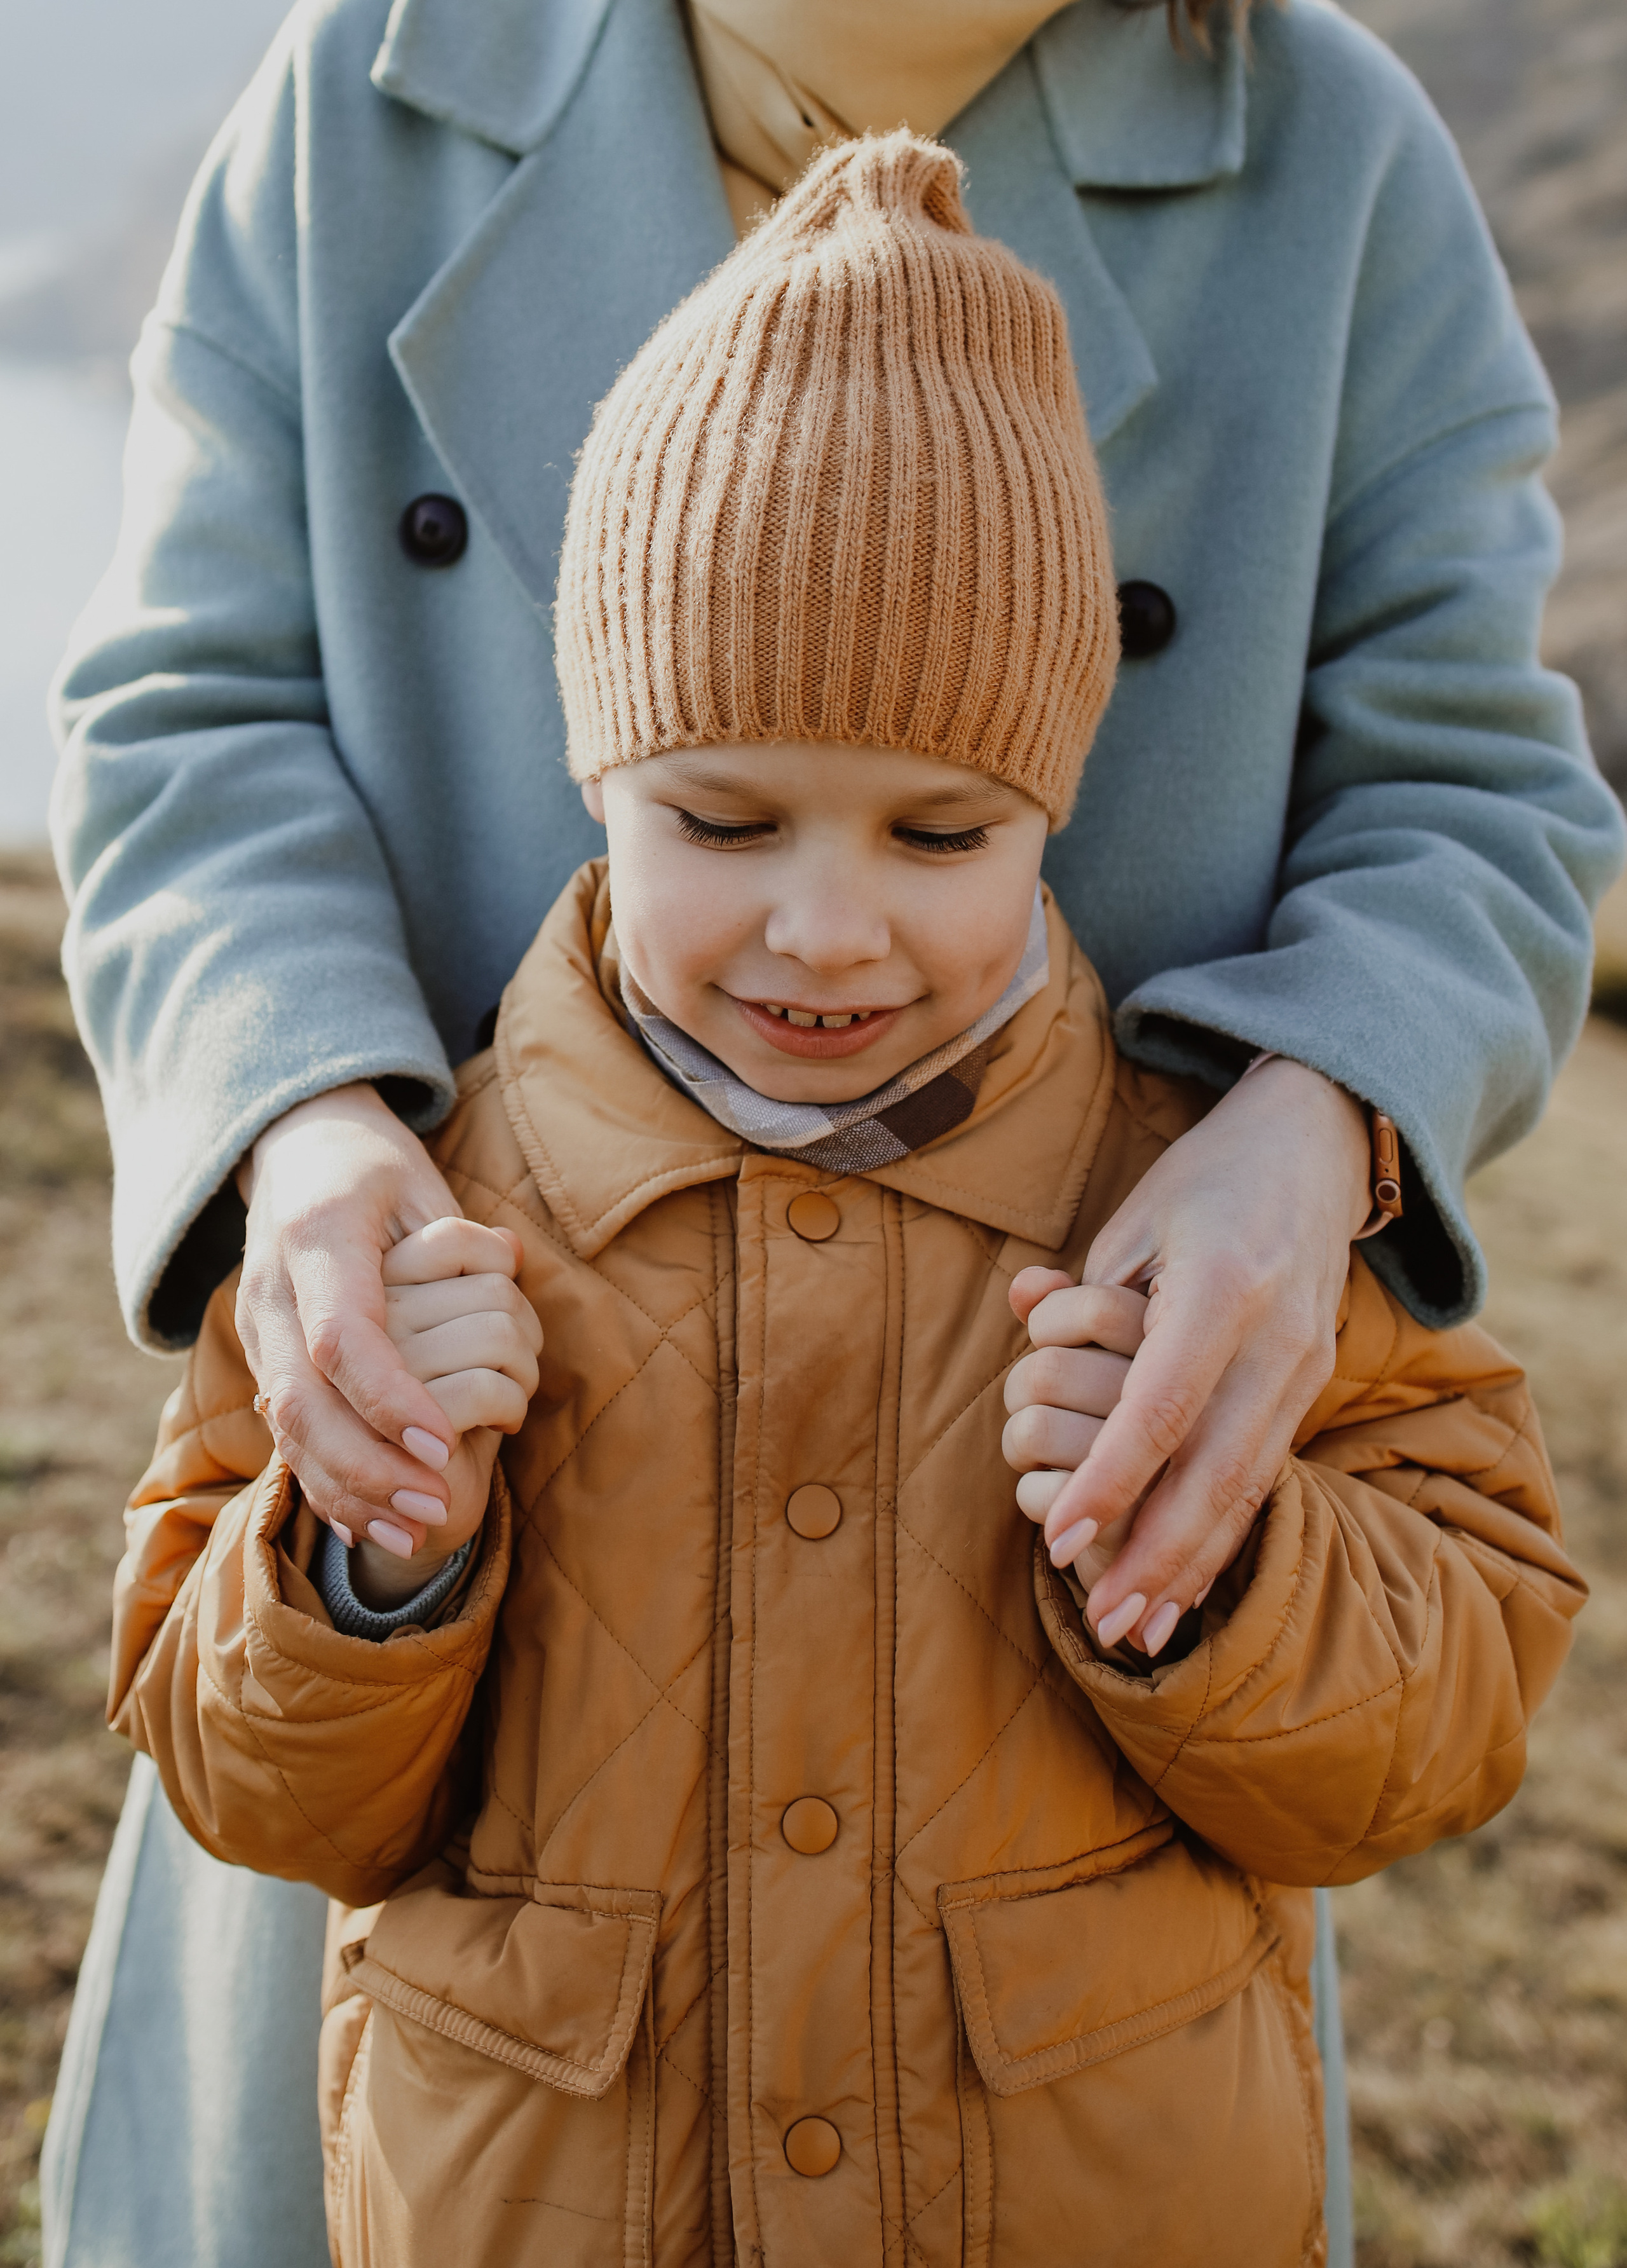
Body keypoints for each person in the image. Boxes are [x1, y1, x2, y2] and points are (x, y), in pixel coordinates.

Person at [41, 1, 1624, 2262]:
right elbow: (189, 706)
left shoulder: (1325, 145)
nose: (823, 925)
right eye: (721, 815)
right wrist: (310, 1123)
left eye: (936, 829)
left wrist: (1309, 1126)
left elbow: (1473, 775)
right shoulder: (372, 86)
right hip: (466, 1594)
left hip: (1068, 1665)